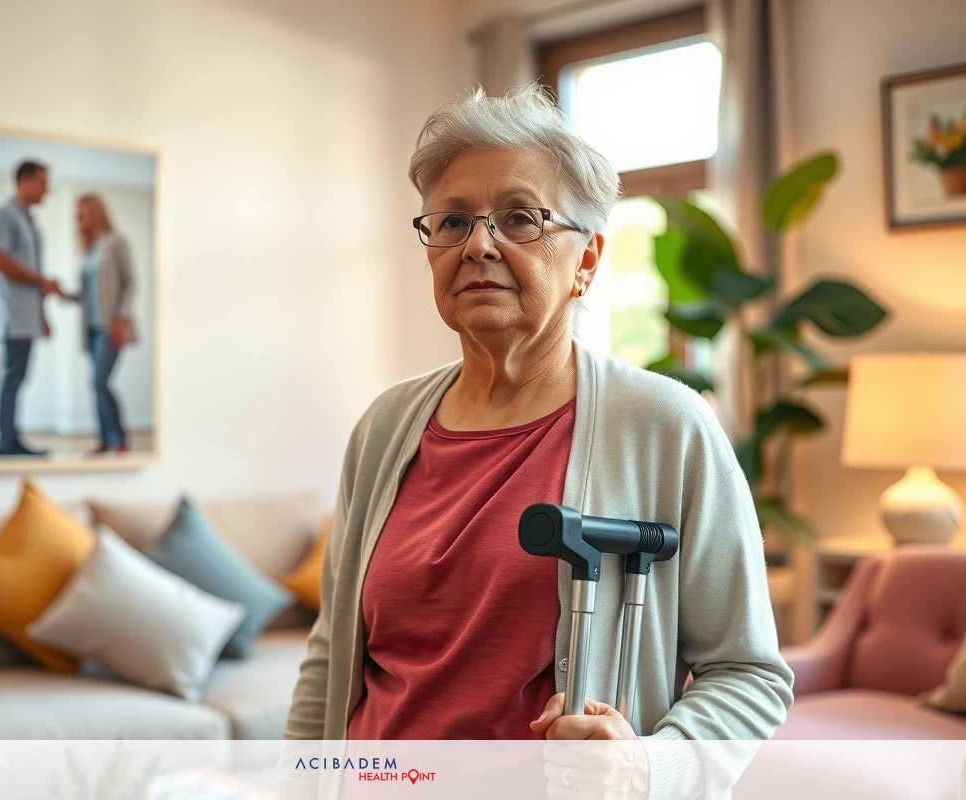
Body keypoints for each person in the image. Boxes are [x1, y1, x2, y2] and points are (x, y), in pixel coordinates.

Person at [284, 85, 793, 756]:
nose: (477, 246)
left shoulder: (665, 427)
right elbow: (331, 660)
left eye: (519, 219)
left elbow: (749, 674)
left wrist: (648, 766)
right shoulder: (383, 429)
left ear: (586, 261)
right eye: (452, 222)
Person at [0, 160, 59, 457]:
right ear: (24, 181)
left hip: (27, 316)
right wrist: (40, 280)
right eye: (43, 182)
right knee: (12, 377)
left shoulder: (29, 221)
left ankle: (11, 438)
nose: (47, 189)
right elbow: (0, 261)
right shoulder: (4, 216)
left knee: (18, 378)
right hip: (13, 315)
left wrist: (41, 314)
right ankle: (6, 442)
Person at [69, 193, 137, 455]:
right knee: (95, 383)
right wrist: (63, 293)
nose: (78, 218)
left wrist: (121, 319)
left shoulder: (116, 242)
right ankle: (105, 439)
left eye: (82, 212)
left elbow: (131, 282)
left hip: (111, 327)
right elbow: (86, 294)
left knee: (100, 382)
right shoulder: (88, 250)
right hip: (92, 329)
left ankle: (119, 437)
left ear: (95, 212)